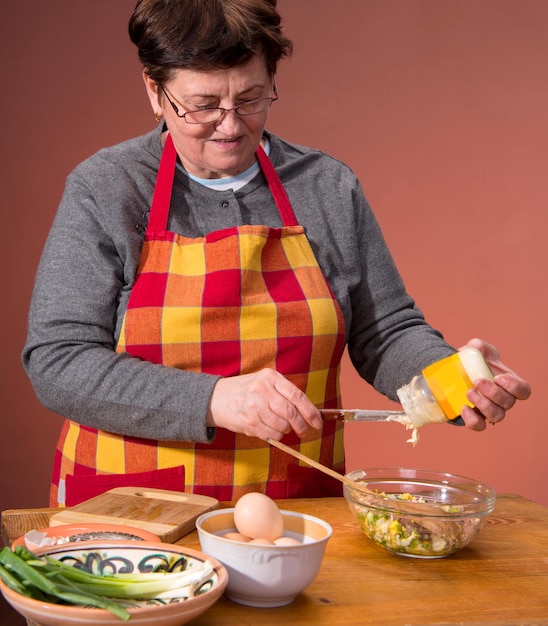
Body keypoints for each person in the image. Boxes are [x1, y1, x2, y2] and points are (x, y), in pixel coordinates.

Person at [22, 0, 530, 508]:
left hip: (294, 511)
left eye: (251, 99)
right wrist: (215, 399)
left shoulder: (326, 186)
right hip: (131, 512)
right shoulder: (106, 188)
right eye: (203, 105)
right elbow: (58, 360)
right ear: (155, 92)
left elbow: (385, 331)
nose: (230, 126)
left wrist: (452, 380)